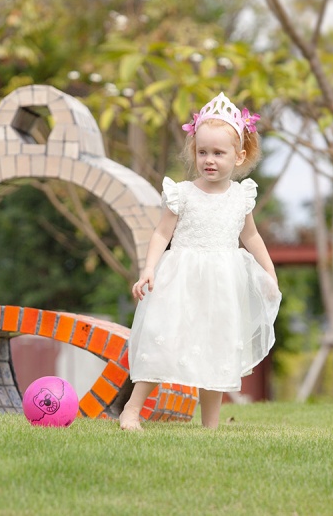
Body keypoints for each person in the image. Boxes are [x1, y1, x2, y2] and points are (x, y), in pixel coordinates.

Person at [119, 92, 282, 431]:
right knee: (164, 340)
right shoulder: (183, 194)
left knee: (216, 350)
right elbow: (161, 234)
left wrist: (269, 272)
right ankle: (131, 410)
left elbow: (251, 237)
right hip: (181, 280)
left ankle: (210, 425)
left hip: (222, 285)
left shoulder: (241, 198)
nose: (209, 160)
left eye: (219, 153)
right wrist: (148, 269)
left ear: (239, 156)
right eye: (202, 152)